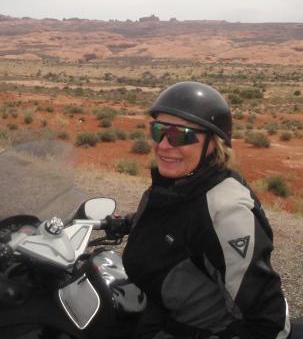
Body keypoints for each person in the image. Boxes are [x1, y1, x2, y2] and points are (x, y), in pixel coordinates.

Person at [120, 81, 290, 339]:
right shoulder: (178, 184)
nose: (164, 145)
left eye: (180, 135)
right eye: (159, 131)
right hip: (158, 315)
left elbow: (267, 320)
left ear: (214, 143)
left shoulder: (226, 211)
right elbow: (174, 224)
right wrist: (123, 223)